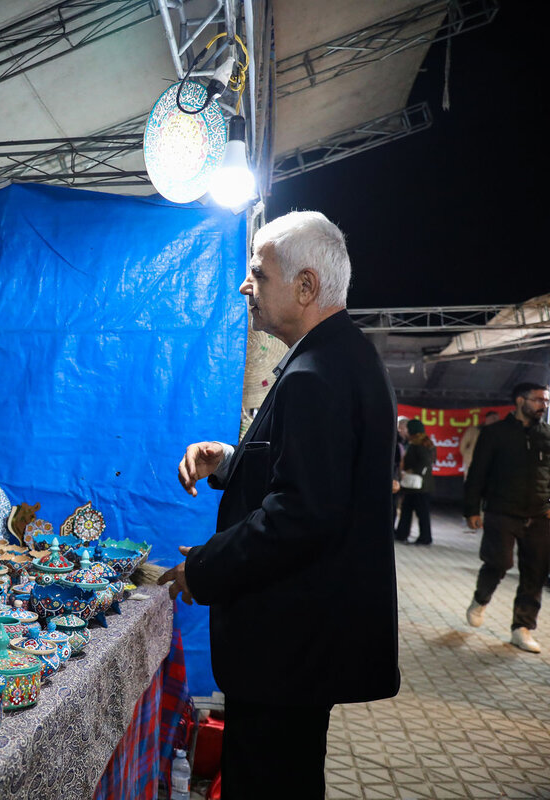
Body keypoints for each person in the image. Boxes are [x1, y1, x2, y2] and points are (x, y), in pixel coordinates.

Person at [160, 211, 399, 799]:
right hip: (305, 644)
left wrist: (203, 568)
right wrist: (233, 462)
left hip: (288, 647)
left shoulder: (315, 373)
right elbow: (313, 476)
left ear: (306, 286)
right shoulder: (339, 356)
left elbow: (303, 513)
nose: (247, 286)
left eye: (258, 275)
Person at [463, 383, 550, 653]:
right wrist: (472, 510)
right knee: (498, 562)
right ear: (520, 400)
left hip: (540, 514)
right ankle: (481, 599)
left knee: (534, 572)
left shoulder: (547, 435)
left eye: (546, 401)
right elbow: (478, 473)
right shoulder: (495, 434)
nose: (543, 406)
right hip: (501, 510)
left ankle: (521, 628)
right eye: (538, 400)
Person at [394, 418, 435, 545]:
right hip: (418, 486)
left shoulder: (419, 444)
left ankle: (425, 538)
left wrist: (412, 471)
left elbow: (425, 462)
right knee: (407, 510)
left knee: (421, 513)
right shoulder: (427, 443)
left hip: (419, 486)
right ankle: (401, 533)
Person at [459, 410, 499, 477]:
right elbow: (462, 447)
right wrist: (469, 456)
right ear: (487, 419)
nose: (495, 421)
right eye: (493, 418)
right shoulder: (474, 430)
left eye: (497, 419)